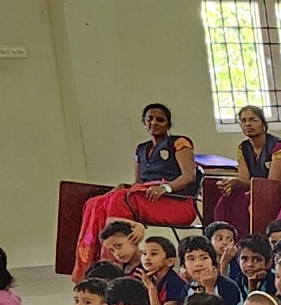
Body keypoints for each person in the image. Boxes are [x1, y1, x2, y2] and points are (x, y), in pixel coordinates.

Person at [73, 103, 199, 272]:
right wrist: (124, 187)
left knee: (119, 198)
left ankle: (117, 265)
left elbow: (189, 176)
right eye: (150, 119)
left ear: (168, 124)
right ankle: (92, 263)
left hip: (177, 202)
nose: (154, 123)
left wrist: (165, 188)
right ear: (144, 123)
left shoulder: (179, 142)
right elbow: (139, 183)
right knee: (95, 203)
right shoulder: (140, 149)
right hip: (148, 198)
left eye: (160, 120)